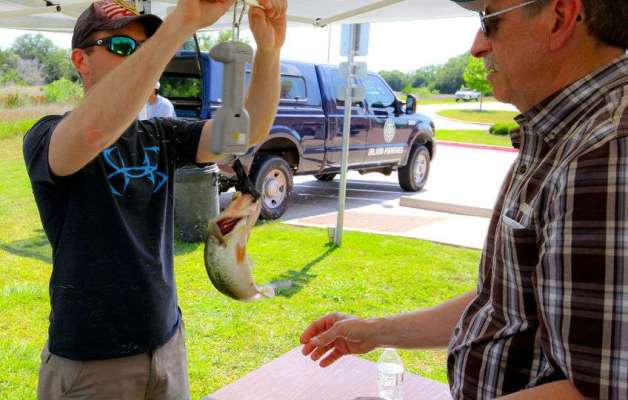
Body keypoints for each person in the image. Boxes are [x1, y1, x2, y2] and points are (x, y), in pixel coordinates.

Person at [300, 1, 627, 399]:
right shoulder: (565, 136)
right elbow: (506, 301)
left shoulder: (607, 150)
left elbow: (598, 390)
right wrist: (374, 332)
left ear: (559, 17)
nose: (476, 46)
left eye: (489, 20)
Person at [22, 0, 286, 398]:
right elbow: (94, 133)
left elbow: (244, 133)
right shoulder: (47, 135)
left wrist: (269, 49)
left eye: (147, 48)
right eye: (124, 47)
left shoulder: (160, 134)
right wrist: (182, 22)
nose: (144, 58)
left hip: (166, 345)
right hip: (92, 365)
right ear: (81, 60)